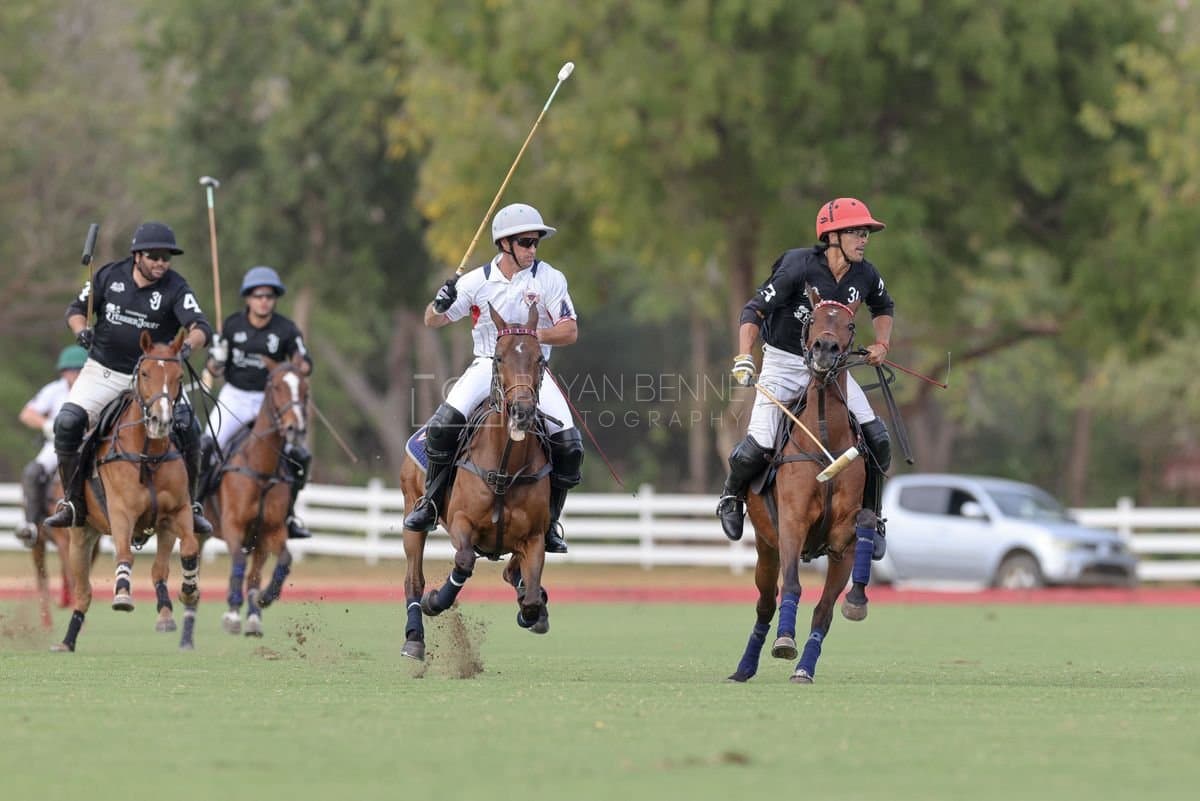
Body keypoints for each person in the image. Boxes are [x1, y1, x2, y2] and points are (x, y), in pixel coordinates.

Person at [402, 203, 583, 554]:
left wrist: (529, 341)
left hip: (533, 372)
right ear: (505, 244)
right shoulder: (475, 282)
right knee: (442, 428)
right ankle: (431, 503)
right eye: (526, 242)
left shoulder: (549, 278)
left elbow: (570, 330)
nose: (532, 249)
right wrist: (439, 304)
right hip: (487, 365)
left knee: (570, 444)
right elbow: (432, 321)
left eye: (536, 243)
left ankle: (550, 523)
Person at [715, 197, 894, 554]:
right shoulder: (798, 265)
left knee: (878, 438)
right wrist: (743, 355)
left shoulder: (866, 274)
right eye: (856, 232)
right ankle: (731, 497)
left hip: (833, 371)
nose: (863, 239)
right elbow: (754, 310)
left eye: (865, 233)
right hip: (784, 364)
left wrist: (882, 344)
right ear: (833, 236)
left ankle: (872, 517)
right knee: (759, 444)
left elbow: (883, 306)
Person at [44, 221, 214, 535]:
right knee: (67, 423)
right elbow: (76, 310)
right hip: (104, 371)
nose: (161, 263)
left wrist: (188, 346)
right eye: (154, 256)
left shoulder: (176, 287)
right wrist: (81, 331)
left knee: (190, 428)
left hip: (155, 378)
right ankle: (72, 502)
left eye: (167, 257)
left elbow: (201, 326)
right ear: (137, 255)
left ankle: (191, 504)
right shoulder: (109, 276)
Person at [201, 265, 314, 539]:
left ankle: (289, 515)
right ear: (248, 298)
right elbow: (214, 369)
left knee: (299, 456)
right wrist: (216, 359)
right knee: (204, 446)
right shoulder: (232, 325)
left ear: (274, 299)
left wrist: (300, 365)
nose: (263, 300)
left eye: (269, 295)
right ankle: (196, 505)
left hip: (272, 404)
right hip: (235, 397)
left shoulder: (286, 329)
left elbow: (305, 362)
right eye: (257, 295)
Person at [14, 345, 88, 546]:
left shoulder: (94, 390)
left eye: (78, 369)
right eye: (69, 369)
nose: (73, 374)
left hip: (89, 445)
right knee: (32, 472)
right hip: (57, 446)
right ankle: (31, 524)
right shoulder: (54, 390)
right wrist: (45, 423)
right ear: (63, 371)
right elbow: (27, 413)